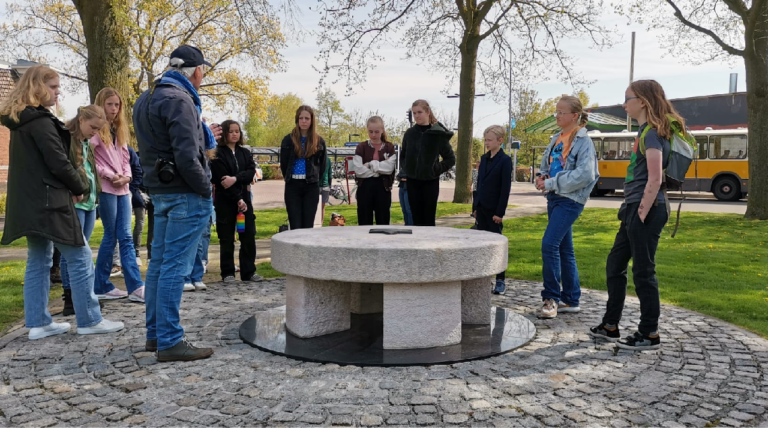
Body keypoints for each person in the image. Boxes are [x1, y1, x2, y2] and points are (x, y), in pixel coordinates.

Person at [0, 65, 124, 339]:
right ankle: (90, 320)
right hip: (50, 201)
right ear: (37, 86)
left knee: (39, 259)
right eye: (54, 86)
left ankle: (38, 323)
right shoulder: (41, 122)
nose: (58, 92)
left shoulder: (21, 121)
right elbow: (58, 162)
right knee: (79, 257)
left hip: (29, 202)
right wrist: (80, 187)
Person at [134, 45, 221, 362]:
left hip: (160, 192)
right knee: (174, 268)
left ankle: (155, 335)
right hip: (185, 194)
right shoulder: (180, 100)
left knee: (158, 265)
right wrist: (205, 189)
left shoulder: (147, 97)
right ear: (196, 71)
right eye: (203, 72)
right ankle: (170, 340)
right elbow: (187, 156)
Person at [590, 80, 677, 351]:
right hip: (634, 207)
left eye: (627, 98)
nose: (624, 104)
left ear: (642, 100)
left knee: (643, 272)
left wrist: (640, 212)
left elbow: (654, 177)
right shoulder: (645, 130)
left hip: (645, 208)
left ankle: (649, 332)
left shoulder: (652, 133)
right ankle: (610, 325)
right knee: (615, 265)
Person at [535, 96, 599, 320]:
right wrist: (541, 177)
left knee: (549, 244)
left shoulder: (583, 141)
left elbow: (586, 174)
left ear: (575, 116)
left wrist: (550, 182)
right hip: (554, 198)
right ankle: (571, 299)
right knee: (564, 249)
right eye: (556, 112)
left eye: (561, 112)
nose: (557, 116)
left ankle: (551, 298)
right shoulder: (556, 138)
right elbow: (547, 165)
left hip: (570, 200)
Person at [92, 87, 146, 303]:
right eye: (109, 104)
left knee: (124, 236)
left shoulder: (120, 129)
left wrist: (127, 177)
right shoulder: (95, 130)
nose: (114, 109)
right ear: (101, 105)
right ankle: (103, 284)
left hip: (123, 189)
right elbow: (91, 160)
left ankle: (131, 286)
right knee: (111, 236)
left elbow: (126, 158)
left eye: (117, 105)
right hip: (107, 189)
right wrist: (110, 175)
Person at [59, 105, 107, 317]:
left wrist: (95, 192)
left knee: (84, 251)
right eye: (92, 127)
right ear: (81, 120)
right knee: (73, 250)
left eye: (98, 129)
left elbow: (91, 170)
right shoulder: (67, 139)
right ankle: (70, 297)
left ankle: (84, 294)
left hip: (89, 200)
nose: (94, 132)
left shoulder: (87, 142)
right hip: (75, 201)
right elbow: (64, 167)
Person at [210, 120, 262, 283]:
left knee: (247, 236)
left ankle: (248, 272)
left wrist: (235, 178)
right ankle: (228, 272)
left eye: (237, 131)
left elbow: (250, 173)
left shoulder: (245, 153)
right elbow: (222, 179)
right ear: (224, 133)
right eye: (231, 131)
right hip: (226, 202)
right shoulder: (217, 153)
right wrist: (237, 197)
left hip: (245, 204)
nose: (234, 134)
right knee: (227, 238)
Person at [398, 100, 455, 226]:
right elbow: (403, 156)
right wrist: (408, 169)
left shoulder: (437, 134)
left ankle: (429, 244)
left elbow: (450, 159)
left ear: (428, 112)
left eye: (419, 112)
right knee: (415, 218)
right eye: (414, 113)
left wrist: (435, 169)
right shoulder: (410, 134)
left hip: (430, 182)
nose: (417, 115)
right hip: (413, 181)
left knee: (428, 218)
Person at [472, 125, 513, 295]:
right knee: (480, 243)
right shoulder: (484, 158)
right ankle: (482, 278)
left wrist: (500, 212)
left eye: (489, 140)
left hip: (494, 210)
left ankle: (500, 280)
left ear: (500, 141)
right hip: (481, 208)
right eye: (485, 139)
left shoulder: (505, 161)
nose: (486, 143)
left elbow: (505, 188)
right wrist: (475, 207)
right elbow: (479, 184)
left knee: (496, 245)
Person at [279, 106, 328, 229]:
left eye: (307, 118)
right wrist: (289, 178)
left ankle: (306, 249)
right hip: (293, 186)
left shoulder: (319, 141)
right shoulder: (288, 140)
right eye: (301, 118)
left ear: (312, 120)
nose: (304, 121)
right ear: (297, 120)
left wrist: (315, 179)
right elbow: (284, 163)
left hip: (311, 186)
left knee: (308, 224)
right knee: (295, 223)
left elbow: (322, 165)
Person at [352, 116, 397, 225]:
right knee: (364, 222)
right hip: (364, 188)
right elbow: (359, 170)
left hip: (383, 188)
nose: (373, 135)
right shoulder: (361, 147)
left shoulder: (389, 147)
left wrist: (370, 164)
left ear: (382, 130)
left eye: (376, 132)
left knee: (383, 222)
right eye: (370, 131)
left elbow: (389, 168)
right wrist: (380, 169)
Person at [128, 146, 146, 267]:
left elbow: (138, 172)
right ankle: (129, 256)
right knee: (126, 226)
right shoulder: (131, 152)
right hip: (127, 192)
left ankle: (136, 253)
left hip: (138, 194)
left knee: (140, 223)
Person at [319, 156, 333, 223]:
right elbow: (330, 173)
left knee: (314, 206)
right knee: (323, 206)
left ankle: (315, 221)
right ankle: (321, 222)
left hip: (316, 185)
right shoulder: (328, 160)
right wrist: (330, 185)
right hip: (326, 185)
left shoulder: (315, 158)